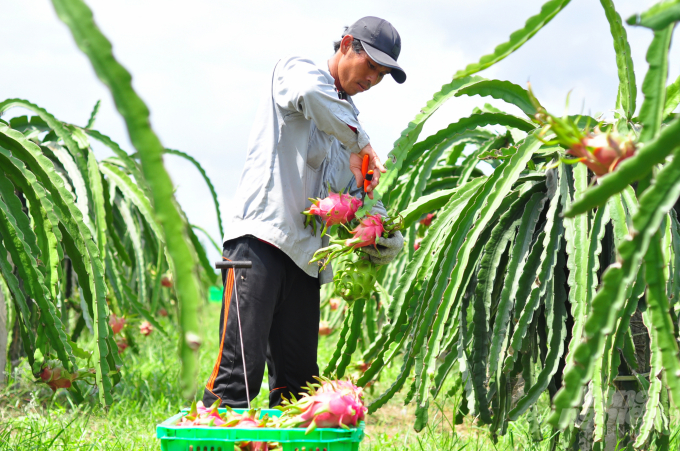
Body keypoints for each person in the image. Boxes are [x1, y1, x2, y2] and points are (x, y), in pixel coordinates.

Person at [203, 16, 406, 408]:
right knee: (237, 377)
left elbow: (358, 195)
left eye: (381, 75)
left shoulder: (351, 129)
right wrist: (360, 141)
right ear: (347, 44)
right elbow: (313, 96)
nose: (373, 81)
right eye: (371, 67)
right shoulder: (296, 72)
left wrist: (383, 230)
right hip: (259, 245)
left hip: (306, 263)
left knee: (298, 390)